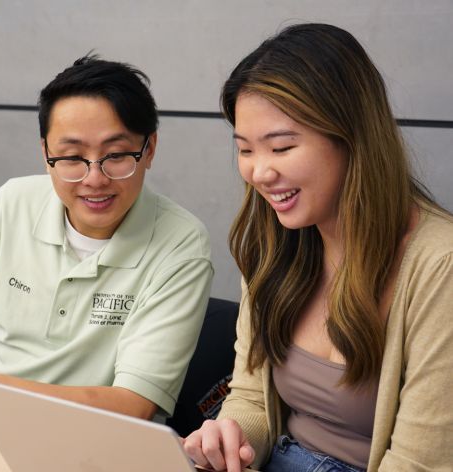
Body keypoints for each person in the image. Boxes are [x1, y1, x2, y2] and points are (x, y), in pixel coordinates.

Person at [0, 55, 213, 420]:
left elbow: (132, 404)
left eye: (116, 155)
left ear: (149, 149)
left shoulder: (182, 244)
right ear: (45, 153)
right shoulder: (12, 203)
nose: (94, 179)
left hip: (98, 442)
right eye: (71, 156)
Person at [183, 23, 453, 471]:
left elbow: (420, 462)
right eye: (245, 149)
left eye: (282, 147)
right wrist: (229, 439)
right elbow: (250, 396)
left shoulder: (439, 267)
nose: (259, 173)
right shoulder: (276, 243)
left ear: (352, 138)